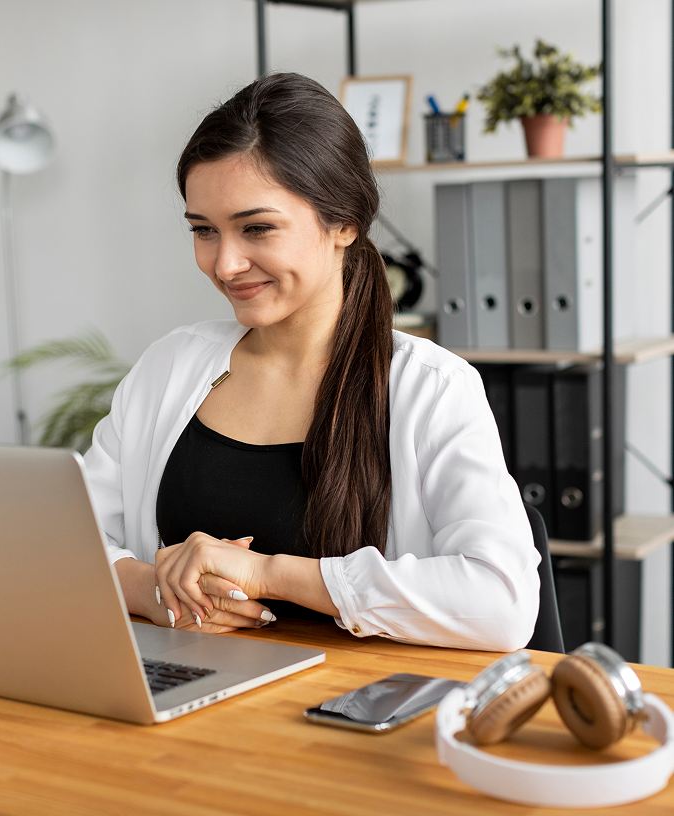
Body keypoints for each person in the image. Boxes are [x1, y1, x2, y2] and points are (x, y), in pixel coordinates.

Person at [82, 72, 539, 652]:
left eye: (257, 228)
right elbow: (70, 543)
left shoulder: (433, 388)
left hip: (352, 716)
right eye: (203, 231)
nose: (224, 264)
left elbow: (502, 603)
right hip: (189, 700)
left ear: (343, 221)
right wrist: (156, 591)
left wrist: (270, 574)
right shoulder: (169, 366)